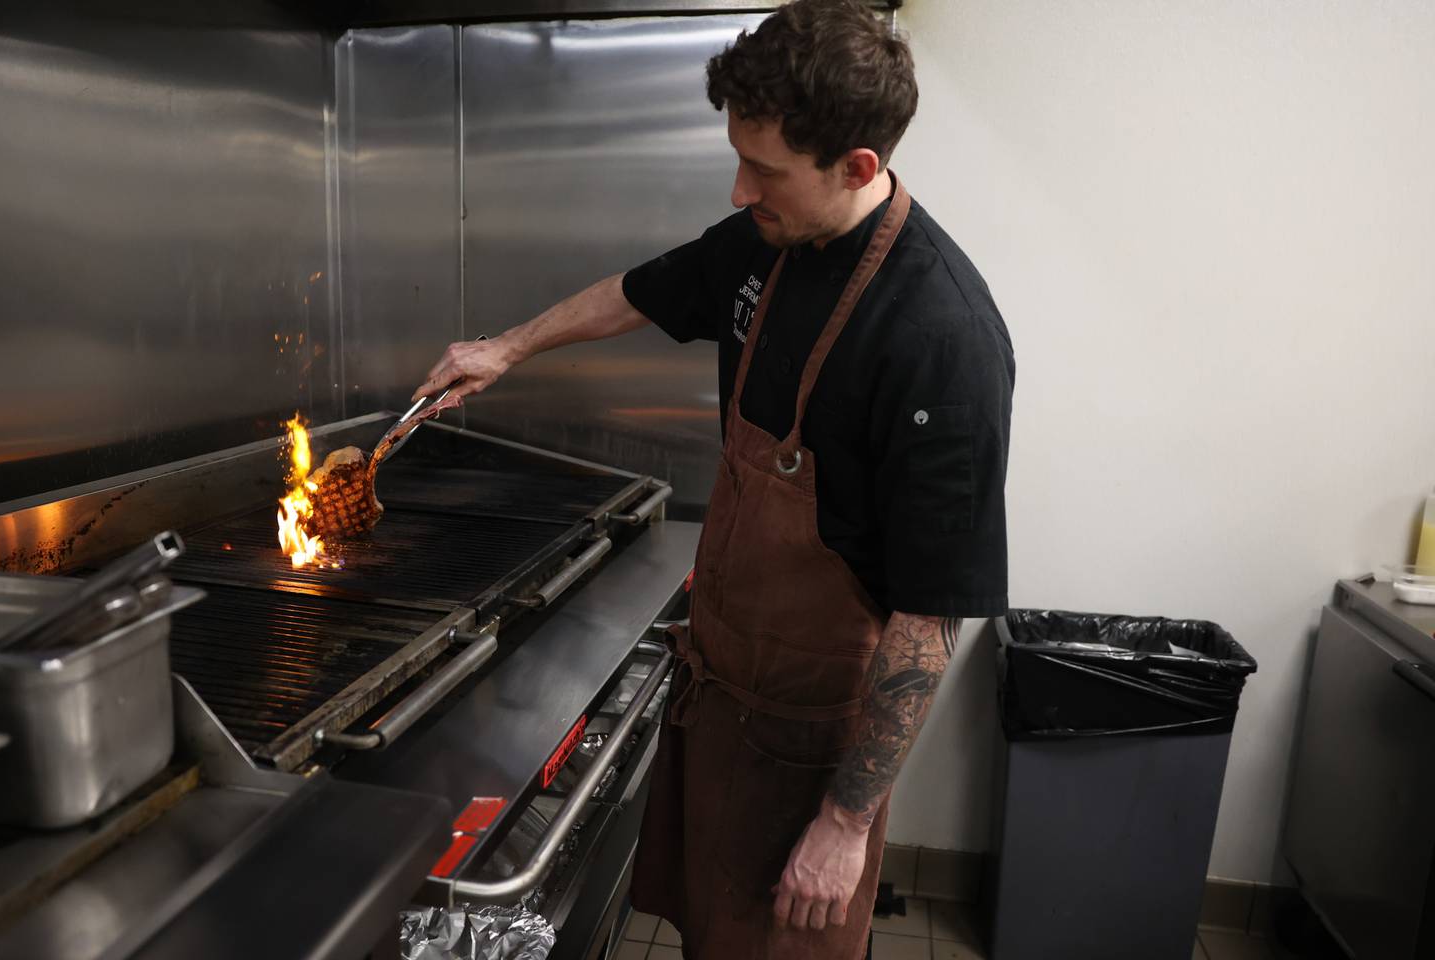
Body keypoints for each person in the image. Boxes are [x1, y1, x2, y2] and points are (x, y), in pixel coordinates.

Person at [413, 1, 1014, 956]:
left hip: (813, 749)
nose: (740, 190)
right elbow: (640, 292)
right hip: (720, 695)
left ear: (858, 166)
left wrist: (846, 825)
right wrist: (504, 349)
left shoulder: (941, 338)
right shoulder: (772, 242)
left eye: (765, 170)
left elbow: (930, 620)